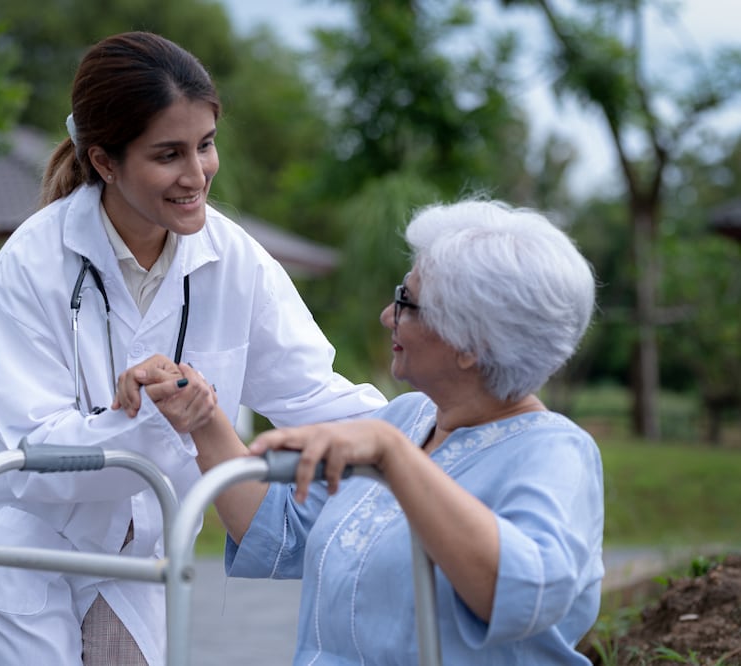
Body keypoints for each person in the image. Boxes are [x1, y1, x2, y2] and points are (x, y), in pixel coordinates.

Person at [0, 31, 386, 666]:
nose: (195, 174)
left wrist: (437, 431)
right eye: (168, 154)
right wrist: (152, 417)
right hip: (24, 536)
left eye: (205, 145)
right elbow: (32, 447)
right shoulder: (32, 263)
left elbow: (313, 395)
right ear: (104, 161)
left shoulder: (235, 262)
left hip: (134, 545)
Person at [122, 198, 604, 663]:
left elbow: (522, 594)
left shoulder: (555, 454)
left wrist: (395, 457)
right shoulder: (408, 419)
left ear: (470, 344)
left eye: (407, 303)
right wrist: (202, 417)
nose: (387, 316)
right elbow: (281, 529)